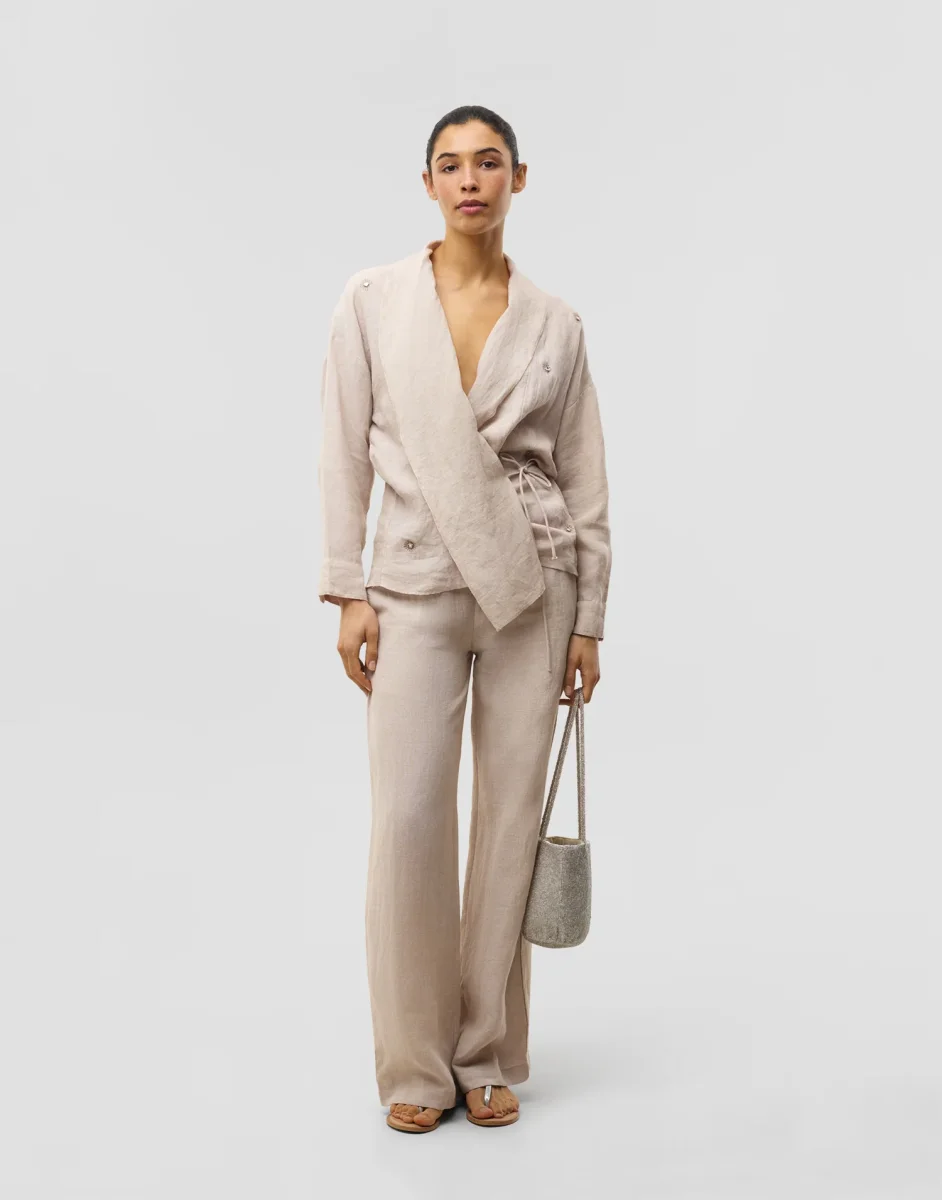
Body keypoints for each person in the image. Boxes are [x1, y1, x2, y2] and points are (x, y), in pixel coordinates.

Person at [317, 104, 612, 1133]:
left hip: (536, 587)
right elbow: (341, 446)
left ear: (519, 179)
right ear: (429, 184)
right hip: (411, 580)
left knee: (509, 825)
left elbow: (584, 475)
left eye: (489, 163)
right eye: (451, 165)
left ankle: (486, 1051)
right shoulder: (374, 301)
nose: (470, 179)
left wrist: (590, 618)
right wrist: (346, 588)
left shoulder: (556, 323)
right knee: (407, 822)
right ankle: (413, 1065)